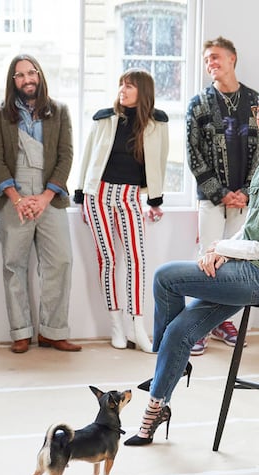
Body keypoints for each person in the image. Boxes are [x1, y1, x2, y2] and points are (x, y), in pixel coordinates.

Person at [124, 84, 259, 446]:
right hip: (252, 271)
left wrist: (231, 251)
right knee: (179, 332)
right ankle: (158, 405)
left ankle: (166, 366)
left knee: (165, 277)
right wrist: (223, 248)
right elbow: (253, 229)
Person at [0, 54, 81, 354]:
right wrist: (16, 198)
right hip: (12, 194)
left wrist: (44, 197)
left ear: (39, 75)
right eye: (20, 75)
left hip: (49, 193)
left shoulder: (60, 111)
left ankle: (53, 331)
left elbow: (66, 155)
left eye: (32, 73)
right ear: (12, 81)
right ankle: (21, 332)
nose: (27, 79)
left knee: (61, 261)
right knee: (14, 265)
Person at [75, 68, 169, 353]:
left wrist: (155, 200)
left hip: (130, 197)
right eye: (121, 85)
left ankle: (137, 326)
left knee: (137, 259)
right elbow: (88, 156)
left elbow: (159, 161)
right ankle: (116, 324)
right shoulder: (104, 119)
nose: (123, 90)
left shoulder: (157, 123)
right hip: (99, 195)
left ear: (143, 91)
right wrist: (80, 193)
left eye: (129, 86)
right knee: (109, 259)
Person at [186, 36, 259, 355]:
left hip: (245, 199)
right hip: (211, 198)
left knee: (234, 261)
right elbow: (193, 154)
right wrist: (220, 193)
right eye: (207, 59)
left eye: (216, 57)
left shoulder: (255, 101)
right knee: (206, 259)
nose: (211, 63)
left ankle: (222, 321)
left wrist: (247, 192)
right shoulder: (199, 103)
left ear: (233, 59)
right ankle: (198, 326)